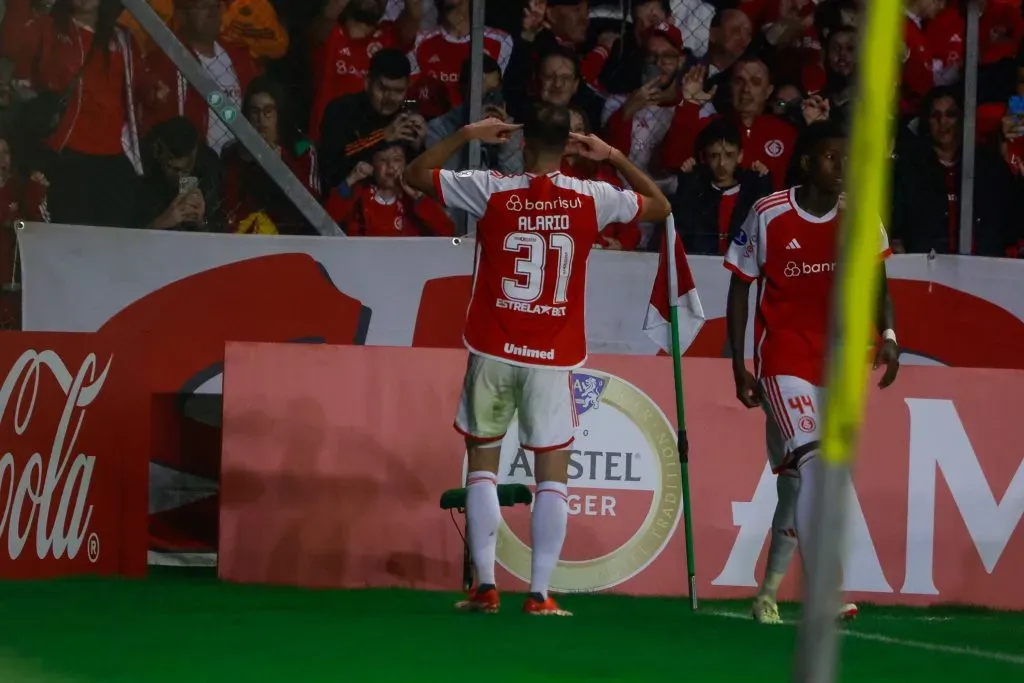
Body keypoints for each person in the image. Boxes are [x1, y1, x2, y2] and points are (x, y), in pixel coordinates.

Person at [404, 104, 671, 616]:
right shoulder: (593, 197)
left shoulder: (491, 188)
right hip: (552, 355)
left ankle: (485, 587)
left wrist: (465, 132)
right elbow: (660, 205)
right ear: (570, 146)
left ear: (521, 145)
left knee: (482, 465)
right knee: (552, 474)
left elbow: (416, 174)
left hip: (493, 348)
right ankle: (540, 593)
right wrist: (612, 154)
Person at [723, 121, 901, 625]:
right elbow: (740, 287)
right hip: (783, 362)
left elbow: (878, 286)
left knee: (797, 486)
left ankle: (768, 594)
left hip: (838, 364)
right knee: (817, 466)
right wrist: (740, 365)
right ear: (807, 163)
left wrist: (887, 337)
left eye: (848, 159)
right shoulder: (768, 213)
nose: (843, 168)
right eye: (831, 159)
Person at [323, 140, 453, 237]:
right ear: (372, 165)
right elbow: (327, 220)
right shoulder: (359, 194)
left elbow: (447, 231)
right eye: (383, 160)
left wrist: (417, 197)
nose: (390, 166)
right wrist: (351, 179)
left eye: (397, 160)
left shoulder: (414, 200)